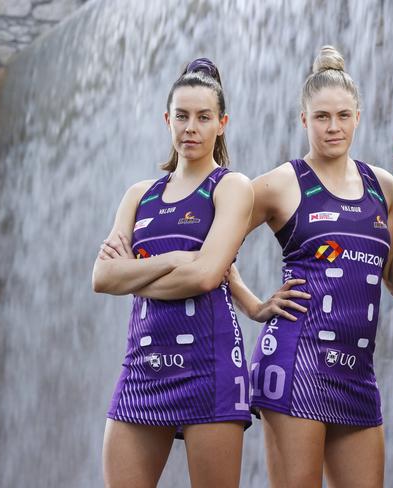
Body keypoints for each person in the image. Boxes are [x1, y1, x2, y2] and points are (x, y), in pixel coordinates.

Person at [228, 45, 393, 488]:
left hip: (356, 372)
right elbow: (217, 244)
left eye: (342, 115)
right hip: (296, 362)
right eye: (321, 117)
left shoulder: (385, 187)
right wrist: (254, 305)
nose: (333, 126)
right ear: (304, 119)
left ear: (358, 115)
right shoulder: (283, 182)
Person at [92, 58, 254, 488]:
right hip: (142, 366)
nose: (191, 127)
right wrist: (172, 260)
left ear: (222, 123)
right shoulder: (138, 195)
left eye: (203, 117)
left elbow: (204, 278)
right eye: (181, 116)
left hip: (210, 364)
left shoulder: (232, 187)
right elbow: (101, 279)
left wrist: (136, 272)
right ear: (167, 119)